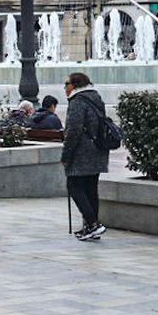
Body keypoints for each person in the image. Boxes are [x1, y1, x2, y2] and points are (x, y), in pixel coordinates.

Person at [61, 72, 109, 242]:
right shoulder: (96, 98)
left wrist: (66, 155)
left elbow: (73, 131)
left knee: (74, 186)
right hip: (97, 150)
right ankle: (91, 227)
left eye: (66, 83)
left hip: (82, 152)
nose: (65, 87)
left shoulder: (77, 102)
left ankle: (94, 224)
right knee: (90, 188)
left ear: (74, 85)